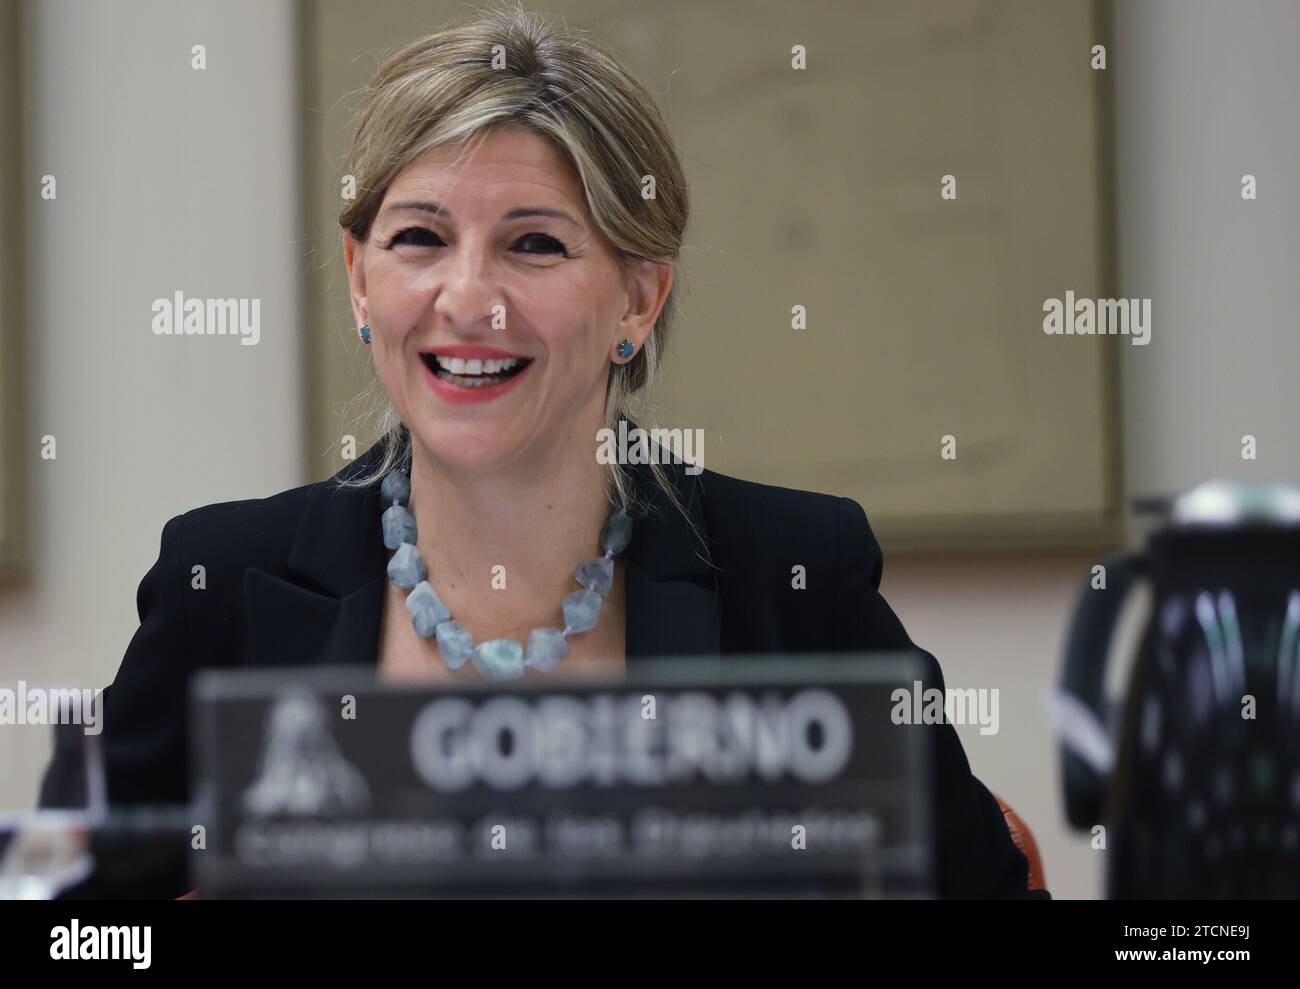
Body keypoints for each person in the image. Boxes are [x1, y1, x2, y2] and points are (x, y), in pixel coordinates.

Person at [39, 4, 1037, 898]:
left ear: (638, 298)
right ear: (358, 277)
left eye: (535, 244)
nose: (468, 298)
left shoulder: (798, 577)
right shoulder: (222, 587)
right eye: (421, 237)